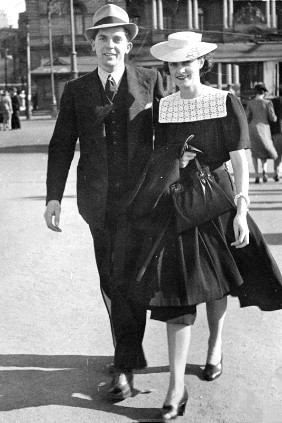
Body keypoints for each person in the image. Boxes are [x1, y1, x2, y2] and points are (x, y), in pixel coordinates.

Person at [125, 32, 282, 421]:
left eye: (186, 62)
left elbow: (240, 159)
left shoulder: (224, 101)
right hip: (178, 206)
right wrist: (171, 165)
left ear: (200, 63)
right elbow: (160, 159)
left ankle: (215, 346)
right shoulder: (164, 108)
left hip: (218, 204)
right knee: (175, 293)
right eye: (174, 64)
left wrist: (243, 210)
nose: (180, 70)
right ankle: (176, 388)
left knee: (218, 282)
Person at [44, 4, 163, 402]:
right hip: (99, 205)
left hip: (142, 202)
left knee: (131, 281)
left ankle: (124, 365)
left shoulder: (151, 80)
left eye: (116, 39)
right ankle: (124, 354)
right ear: (92, 45)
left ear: (128, 45)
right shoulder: (77, 90)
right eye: (101, 38)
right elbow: (62, 145)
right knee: (111, 282)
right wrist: (53, 197)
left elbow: (169, 135)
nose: (108, 46)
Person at [245, 84, 278, 183]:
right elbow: (273, 118)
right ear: (263, 93)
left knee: (254, 153)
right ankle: (264, 171)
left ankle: (256, 175)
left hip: (252, 128)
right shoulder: (268, 103)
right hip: (264, 129)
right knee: (264, 151)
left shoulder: (250, 103)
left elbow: (246, 117)